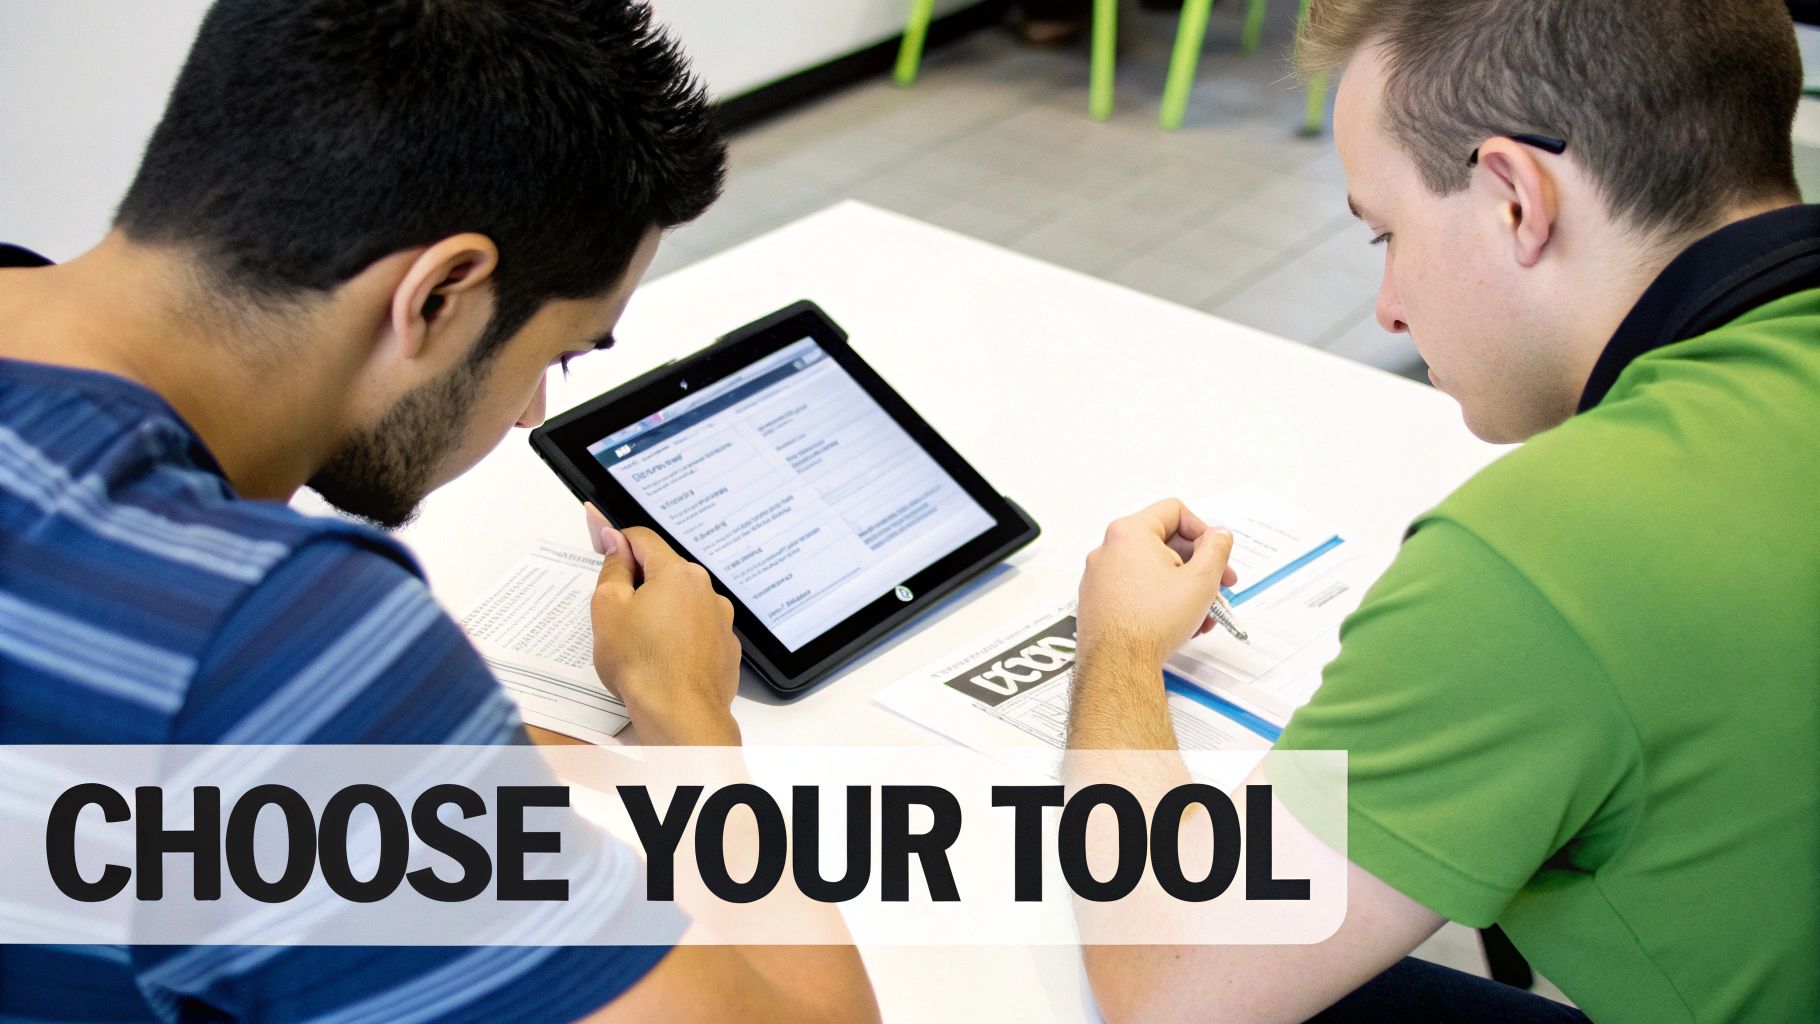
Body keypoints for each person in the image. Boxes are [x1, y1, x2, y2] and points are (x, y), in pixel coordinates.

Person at [0, 1, 878, 1021]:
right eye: (552, 355)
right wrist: (689, 721)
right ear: (437, 296)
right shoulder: (261, 636)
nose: (529, 415)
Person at [1065, 0, 1820, 1020]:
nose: (1386, 308)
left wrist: (1114, 645)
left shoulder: (1547, 553)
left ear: (1514, 196)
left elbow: (1164, 991)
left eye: (1385, 232)